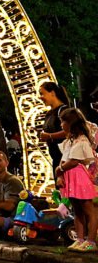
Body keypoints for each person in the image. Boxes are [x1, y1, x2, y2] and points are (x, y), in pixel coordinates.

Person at [54, 107, 97, 251]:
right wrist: (60, 173)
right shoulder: (70, 141)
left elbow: (73, 161)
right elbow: (65, 159)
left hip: (79, 177)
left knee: (88, 210)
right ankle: (79, 239)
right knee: (77, 210)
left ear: (70, 123)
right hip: (71, 177)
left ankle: (91, 240)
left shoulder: (82, 141)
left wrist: (60, 169)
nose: (61, 125)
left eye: (63, 121)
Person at [38, 81, 71, 181]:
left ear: (52, 93)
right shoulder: (49, 114)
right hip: (56, 158)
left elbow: (69, 131)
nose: (40, 97)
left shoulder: (64, 110)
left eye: (42, 93)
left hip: (66, 160)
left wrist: (50, 136)